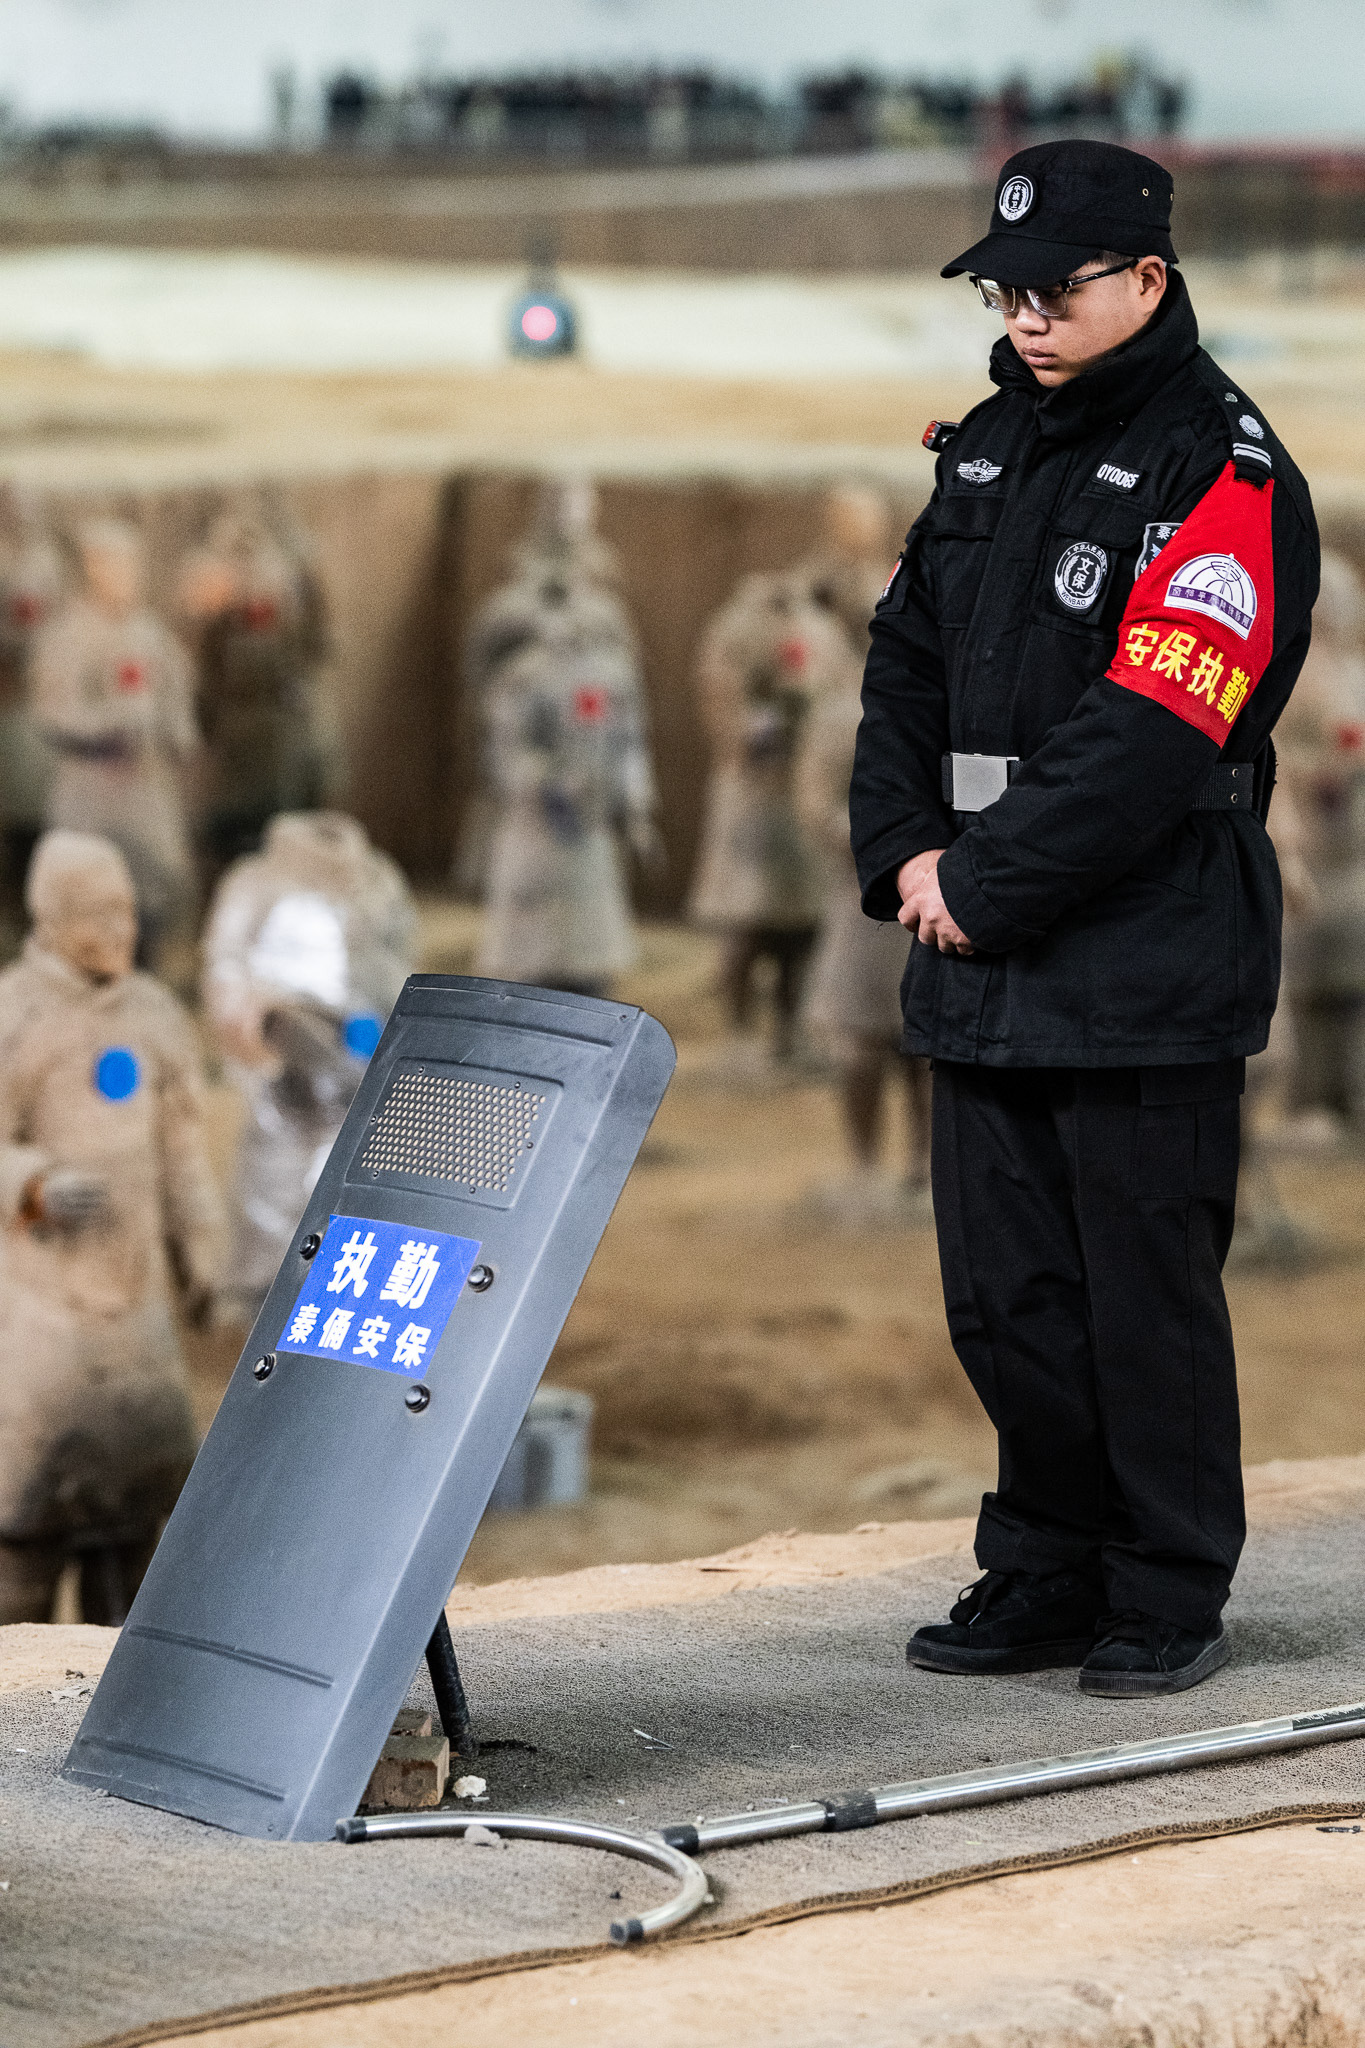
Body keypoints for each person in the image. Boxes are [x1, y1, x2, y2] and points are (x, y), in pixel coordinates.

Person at [850, 141, 1319, 1695]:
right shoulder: (984, 450)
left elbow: (1158, 725)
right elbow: (903, 667)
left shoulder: (1223, 469)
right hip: (976, 942)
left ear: (1147, 282)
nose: (1025, 315)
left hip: (1141, 943)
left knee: (1142, 1291)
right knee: (1007, 1297)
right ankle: (1044, 1564)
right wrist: (908, 852)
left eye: (1054, 290)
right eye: (1002, 291)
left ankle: (1163, 1587)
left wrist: (977, 886)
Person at [0, 831, 224, 1624]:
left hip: (136, 1311)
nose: (123, 928)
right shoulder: (14, 1013)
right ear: (52, 917)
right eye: (100, 913)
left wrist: (202, 1255)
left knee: (135, 1526)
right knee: (26, 1535)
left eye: (128, 910)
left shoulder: (154, 1014)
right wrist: (32, 1183)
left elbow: (184, 1150)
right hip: (41, 1310)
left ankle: (112, 1696)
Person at [202, 811, 415, 1327]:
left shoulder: (378, 880)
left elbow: (402, 958)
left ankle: (337, 1282)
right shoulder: (255, 882)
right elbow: (226, 960)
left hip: (356, 1036)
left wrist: (383, 1028)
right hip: (281, 1038)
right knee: (273, 1162)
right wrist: (252, 1029)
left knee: (349, 1160)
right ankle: (260, 1281)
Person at [31, 517, 198, 970]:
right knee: (85, 882)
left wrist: (175, 731)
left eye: (132, 565)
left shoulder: (149, 632)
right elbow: (55, 711)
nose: (129, 576)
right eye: (117, 566)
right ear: (94, 569)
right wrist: (112, 724)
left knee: (153, 877)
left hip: (144, 782)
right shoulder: (68, 636)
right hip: (90, 784)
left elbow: (175, 691)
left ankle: (147, 970)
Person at [688, 572, 842, 1062]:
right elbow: (724, 707)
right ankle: (739, 1034)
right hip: (754, 800)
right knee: (747, 923)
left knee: (800, 929)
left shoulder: (818, 631)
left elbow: (833, 697)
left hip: (797, 800)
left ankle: (786, 1034)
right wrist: (768, 727)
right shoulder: (735, 630)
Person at [477, 597, 659, 996]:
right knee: (532, 953)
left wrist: (636, 807)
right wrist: (550, 781)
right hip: (536, 826)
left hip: (590, 829)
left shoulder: (611, 677)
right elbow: (508, 749)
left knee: (589, 949)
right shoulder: (523, 677)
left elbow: (628, 745)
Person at [177, 493, 340, 878]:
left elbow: (314, 646)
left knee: (282, 824)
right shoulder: (215, 590)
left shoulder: (286, 586)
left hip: (277, 732)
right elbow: (203, 661)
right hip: (234, 737)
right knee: (233, 834)